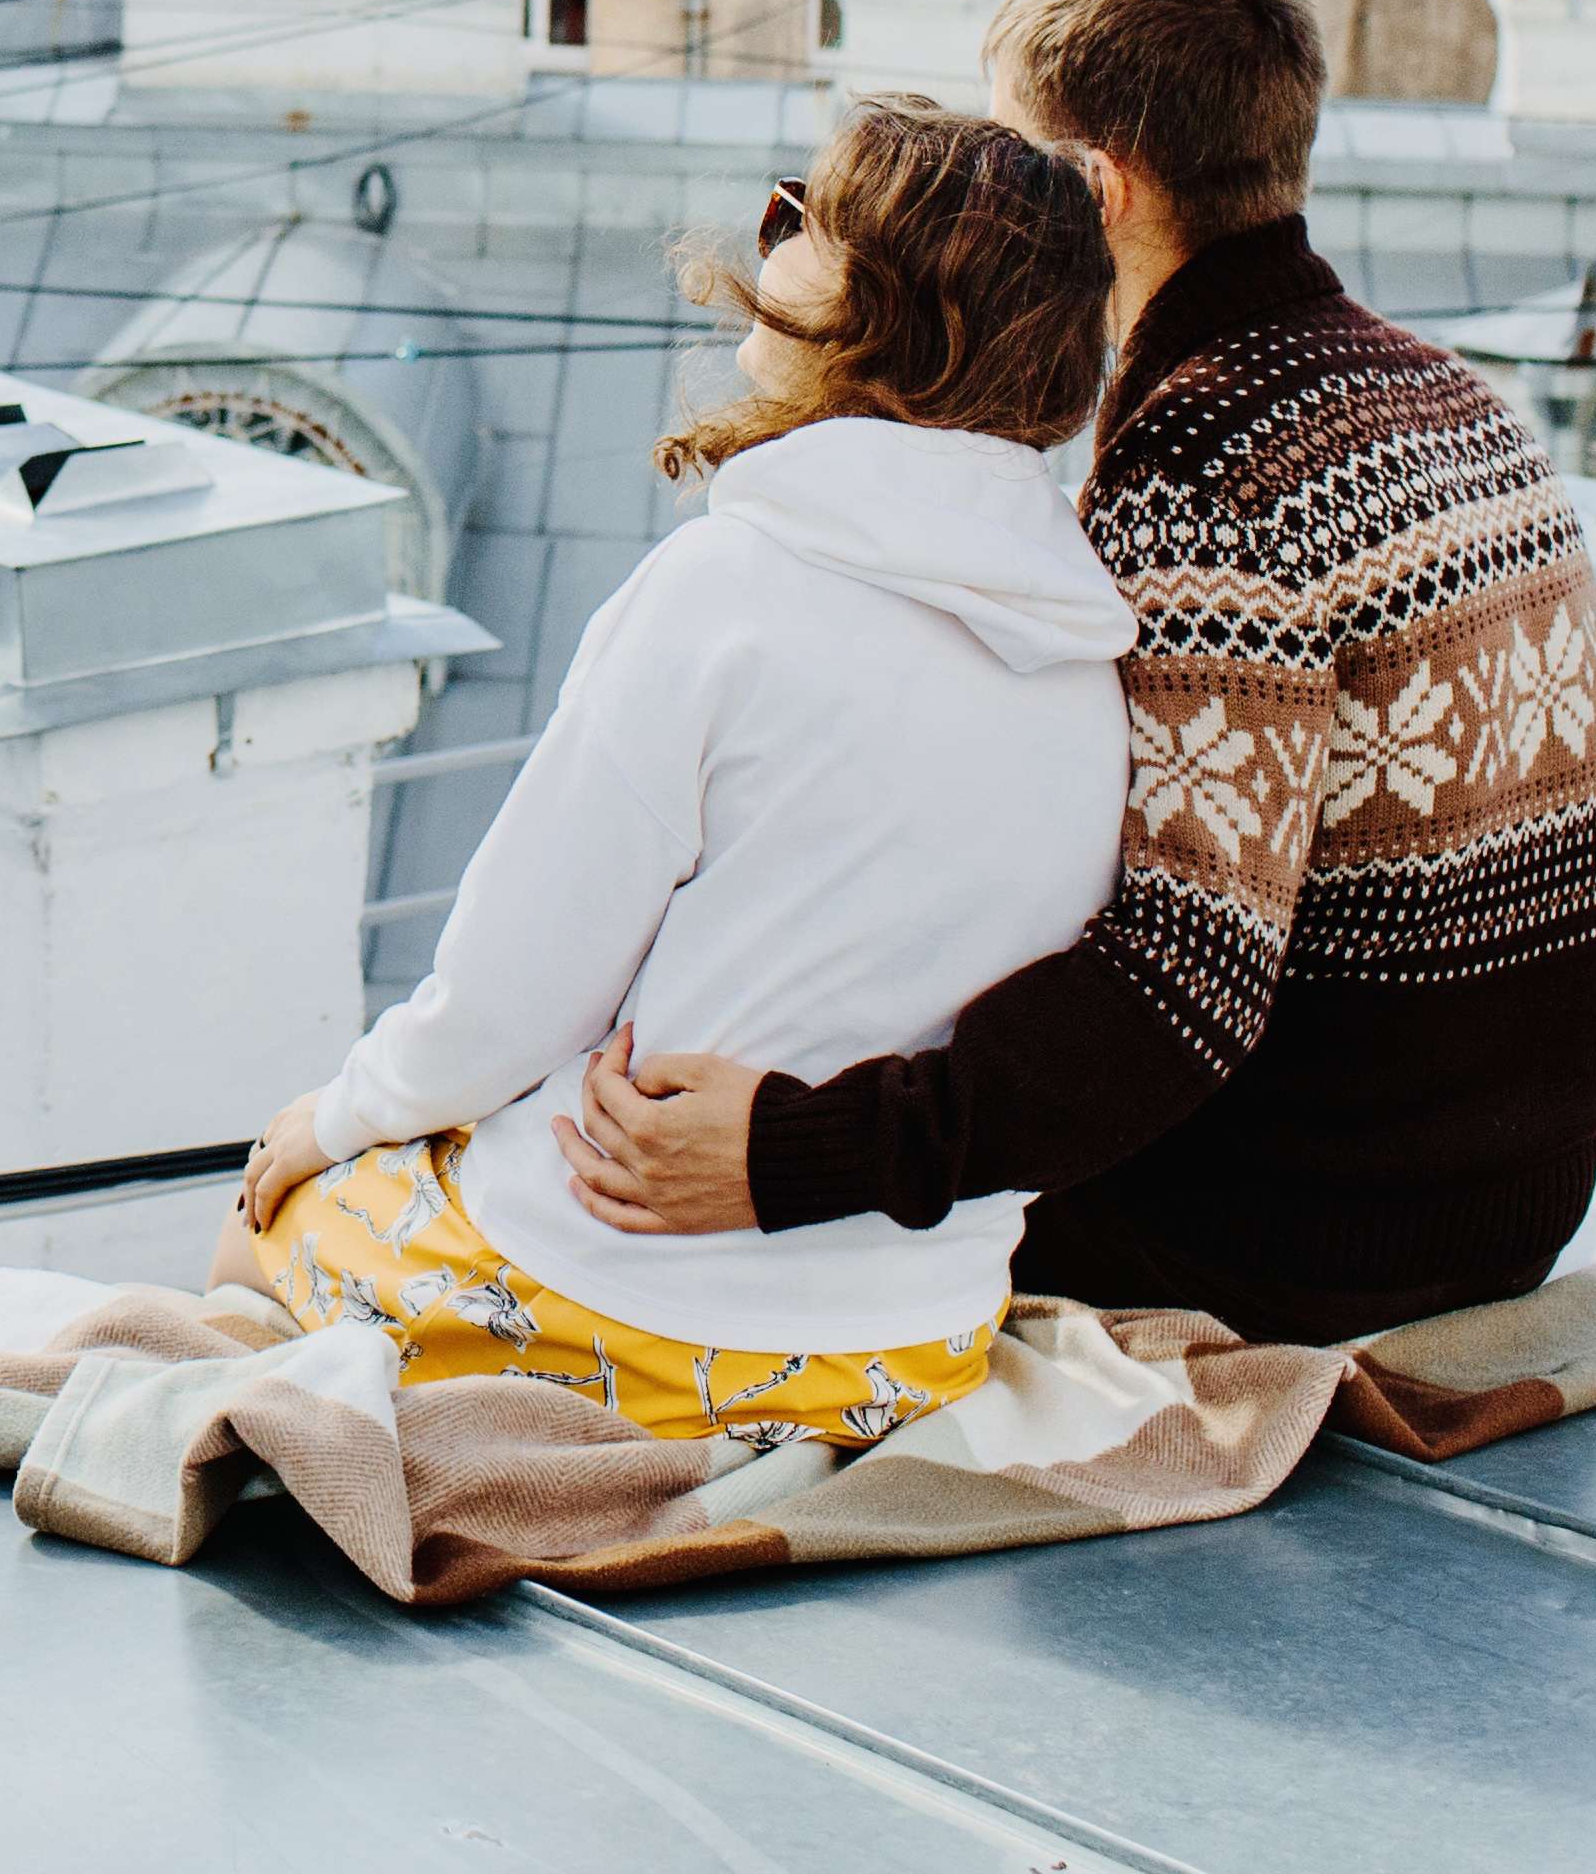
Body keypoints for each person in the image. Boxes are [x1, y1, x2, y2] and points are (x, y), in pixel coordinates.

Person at [553, 0, 1596, 1347]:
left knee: (676, 1253)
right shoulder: (1448, 394)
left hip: (1311, 1238)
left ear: (1094, 192)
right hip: (1514, 1197)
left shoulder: (1204, 474)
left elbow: (1178, 984)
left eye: (1007, 153)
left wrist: (790, 1157)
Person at [229, 101, 1128, 1445]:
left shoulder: (725, 589)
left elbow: (515, 989)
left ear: (878, 309)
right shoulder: (1085, 648)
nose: (771, 237)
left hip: (637, 1307)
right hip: (912, 1340)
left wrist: (335, 1116)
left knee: (260, 1236)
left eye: (802, 216)